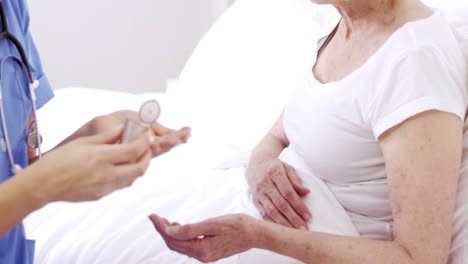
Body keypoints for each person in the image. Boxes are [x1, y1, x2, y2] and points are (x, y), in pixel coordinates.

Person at [150, 0, 468, 263]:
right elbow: (278, 135)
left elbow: (419, 258)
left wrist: (258, 236)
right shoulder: (343, 27)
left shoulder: (414, 63)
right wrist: (259, 166)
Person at [0, 0, 191, 263]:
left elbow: (13, 170)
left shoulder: (10, 9)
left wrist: (88, 139)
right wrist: (43, 184)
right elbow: (27, 187)